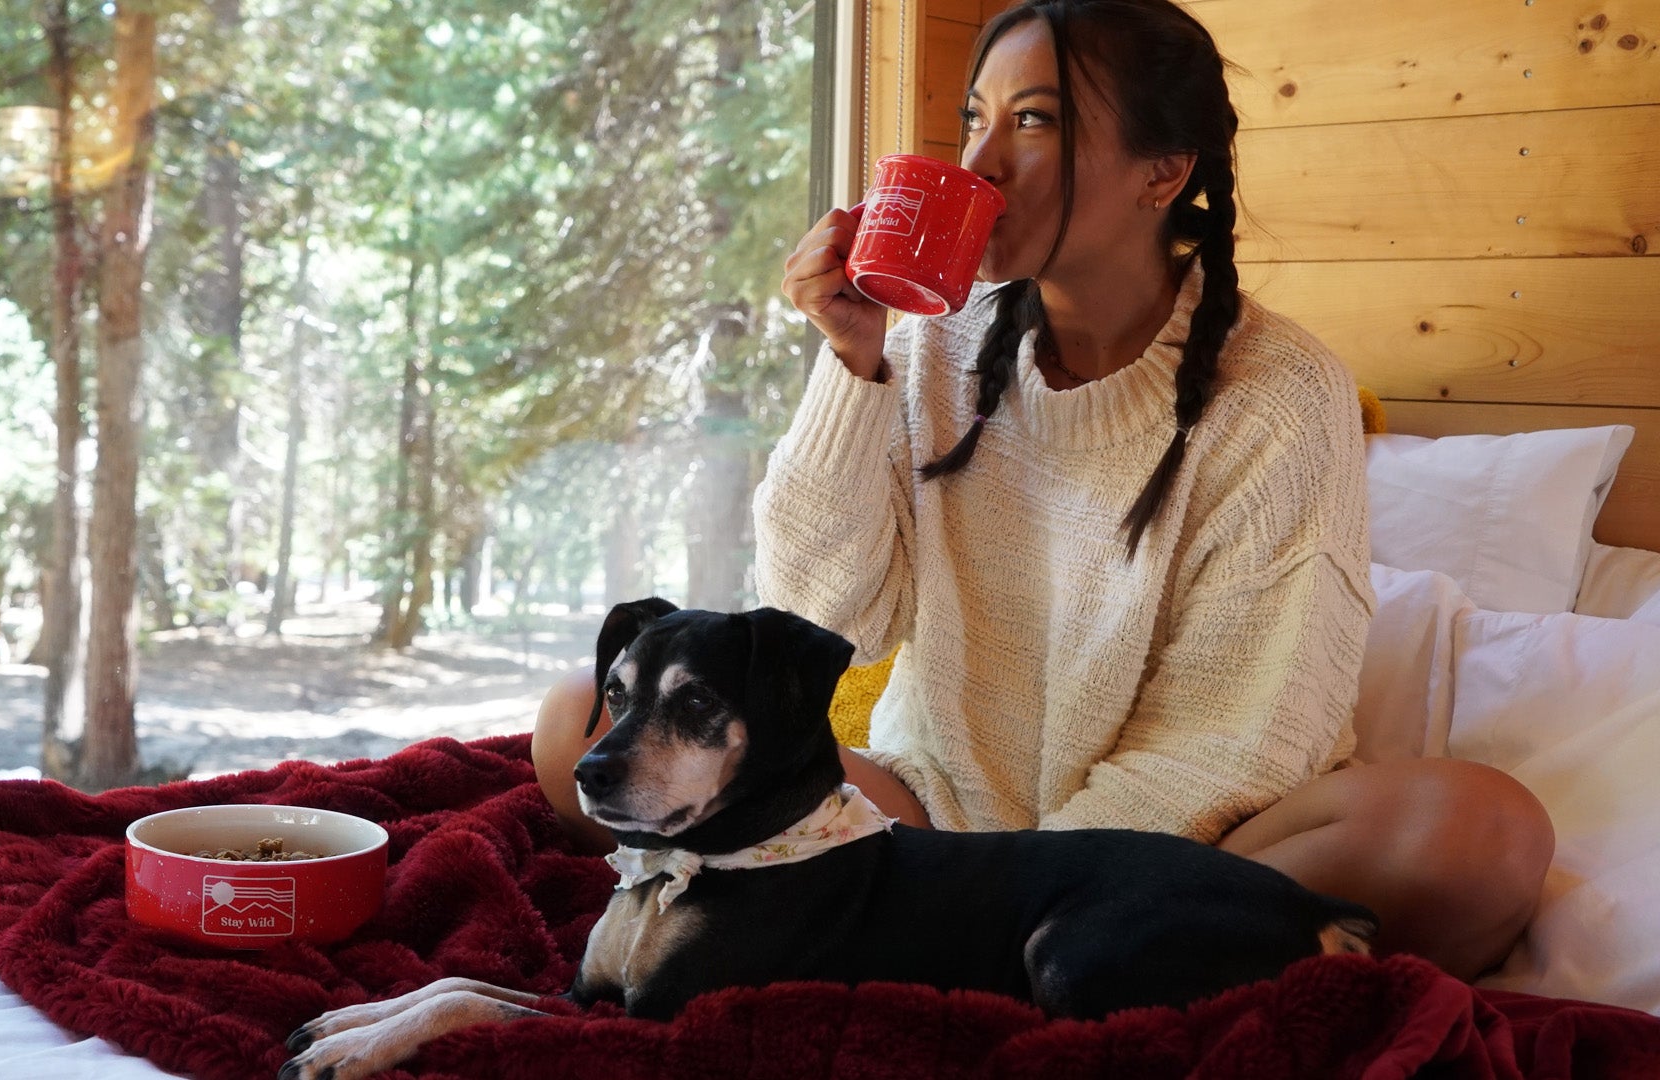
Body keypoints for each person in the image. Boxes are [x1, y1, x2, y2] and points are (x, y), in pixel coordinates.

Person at [532, 0, 1552, 982]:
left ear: (1164, 170)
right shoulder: (932, 337)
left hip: (1184, 849)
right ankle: (1058, 964)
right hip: (930, 819)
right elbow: (823, 619)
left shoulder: (1280, 394)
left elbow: (1239, 737)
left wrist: (1029, 886)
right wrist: (852, 363)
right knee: (580, 721)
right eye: (975, 117)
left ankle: (1014, 951)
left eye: (1033, 121)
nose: (976, 162)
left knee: (1480, 838)